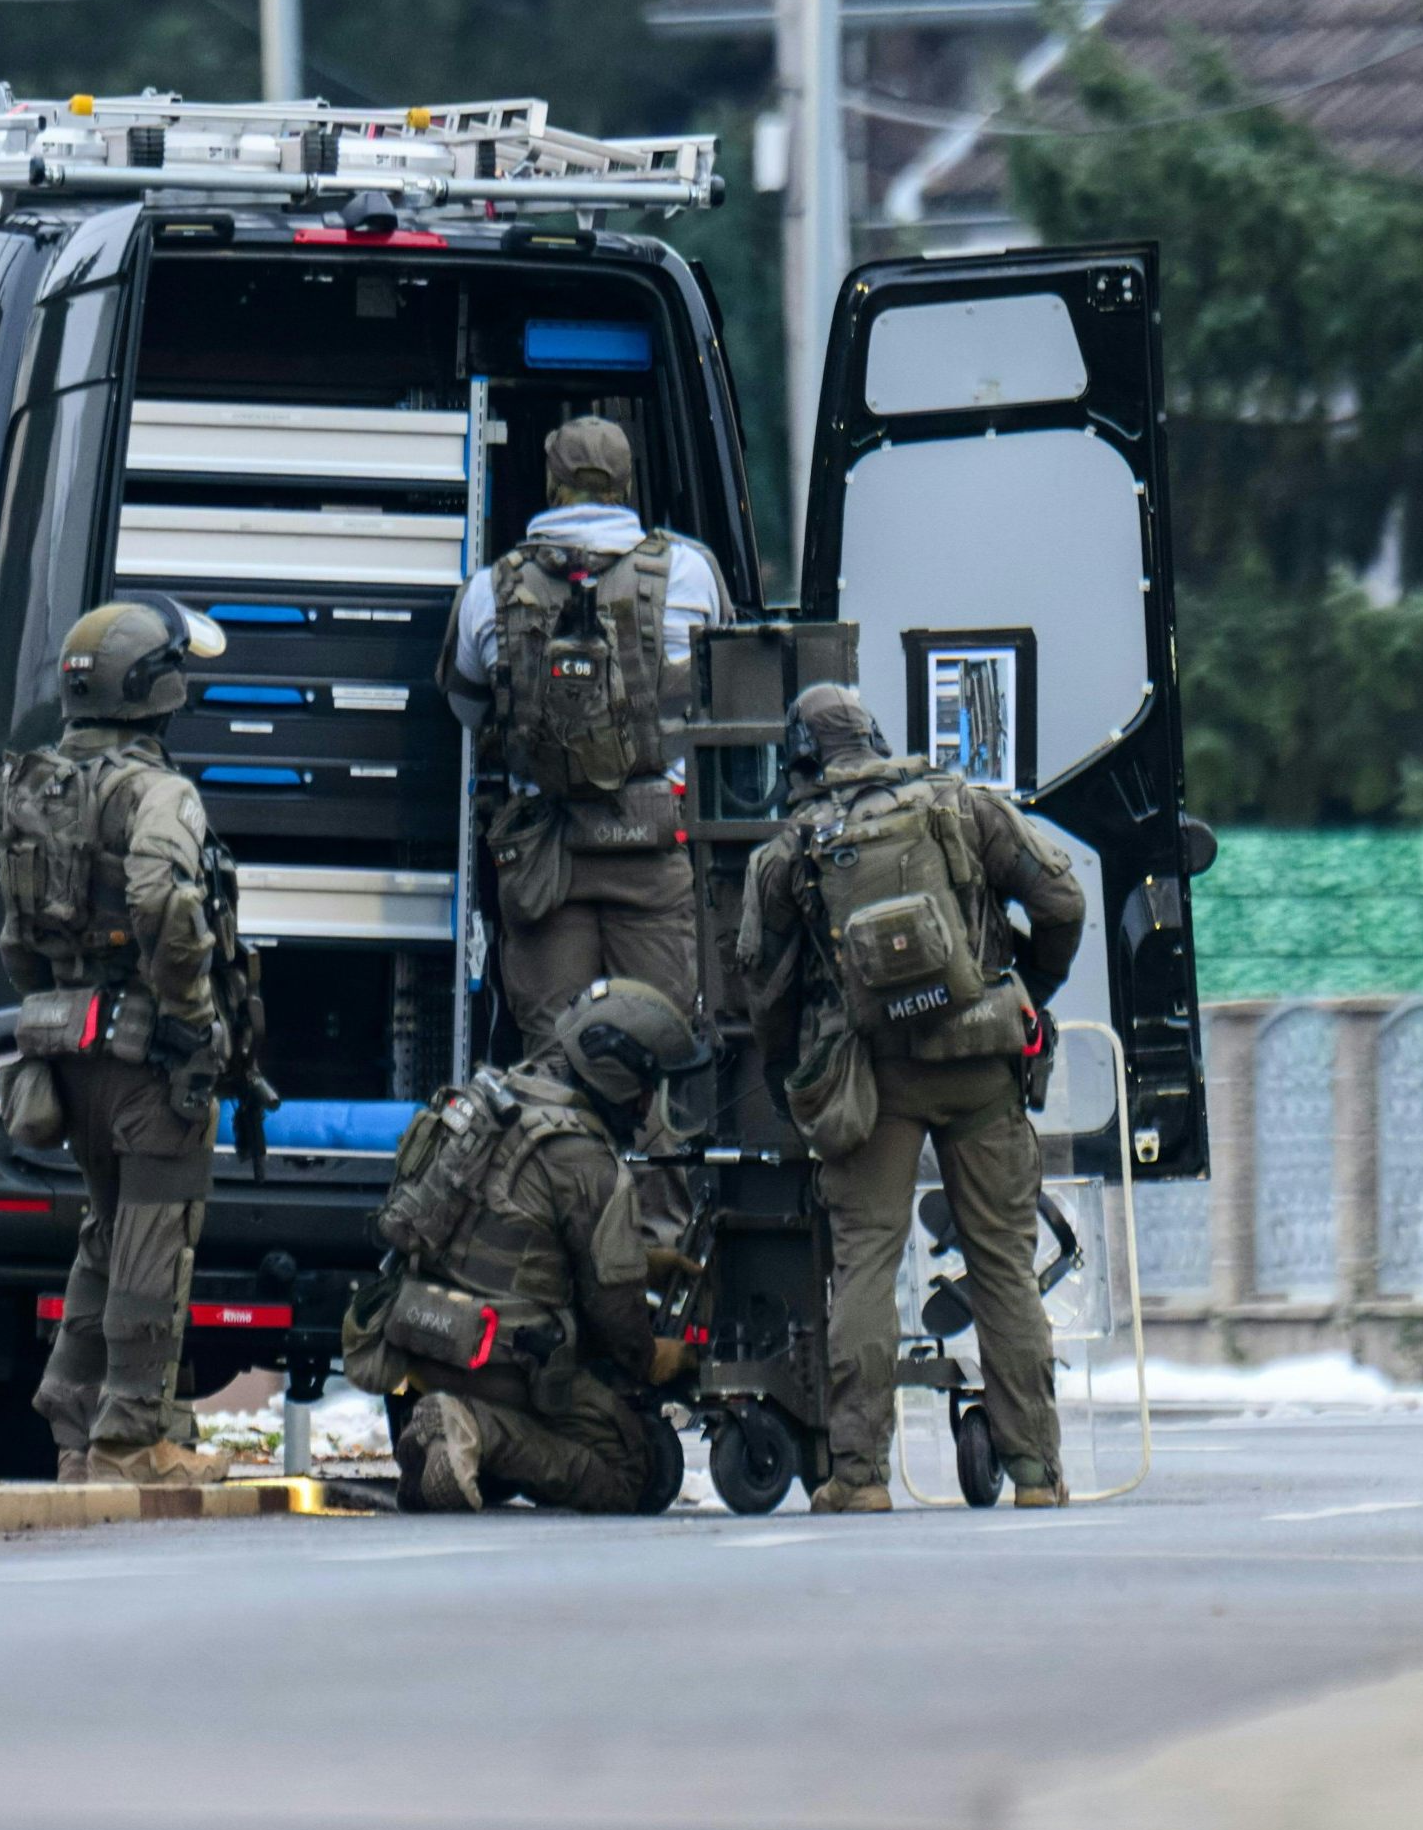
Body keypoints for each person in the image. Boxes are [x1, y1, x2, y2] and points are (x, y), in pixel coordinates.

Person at [732, 683, 1085, 1514]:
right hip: (979, 1061)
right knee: (1002, 1263)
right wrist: (1024, 986)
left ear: (801, 761)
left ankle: (857, 1476)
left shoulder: (788, 852)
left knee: (864, 1267)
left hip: (868, 1081)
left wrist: (796, 1077)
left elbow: (763, 985)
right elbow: (1062, 900)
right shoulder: (964, 806)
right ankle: (1034, 1472)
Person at [0, 595, 242, 1486]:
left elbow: (15, 938)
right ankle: (132, 1439)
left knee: (104, 1233)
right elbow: (162, 899)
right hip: (151, 1057)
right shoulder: (158, 791)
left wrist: (61, 1002)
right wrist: (189, 1013)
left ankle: (73, 1416)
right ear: (156, 688)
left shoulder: (38, 783)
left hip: (69, 1050)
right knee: (152, 1237)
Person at [339, 977, 704, 1514]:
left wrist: (646, 1265)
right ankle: (475, 1430)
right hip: (502, 1360)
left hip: (422, 1333)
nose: (650, 1105)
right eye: (649, 1086)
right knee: (628, 1471)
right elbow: (614, 1314)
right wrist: (654, 1358)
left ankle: (452, 1439)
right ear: (618, 1074)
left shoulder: (498, 1098)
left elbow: (516, 1240)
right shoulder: (585, 1160)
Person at [441, 415, 728, 1024]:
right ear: (626, 485)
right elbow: (725, 690)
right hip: (653, 848)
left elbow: (467, 709)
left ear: (551, 482)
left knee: (553, 1060)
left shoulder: (488, 588)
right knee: (656, 1050)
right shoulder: (691, 573)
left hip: (545, 861)